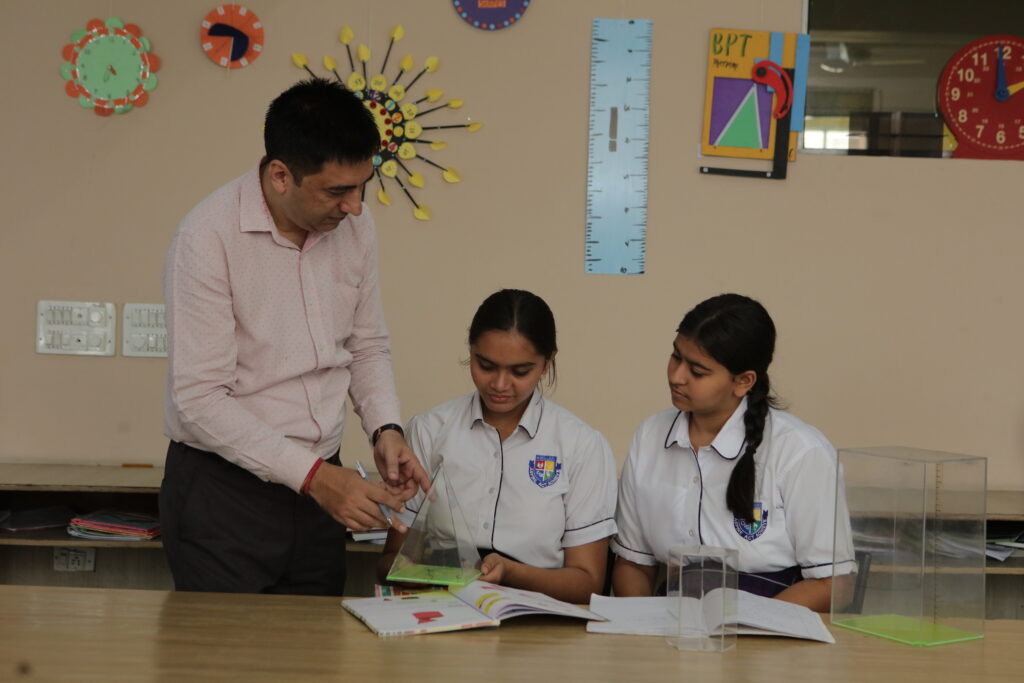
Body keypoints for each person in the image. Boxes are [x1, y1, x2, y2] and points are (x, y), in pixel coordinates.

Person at [161, 78, 429, 596]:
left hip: (320, 492)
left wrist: (386, 429)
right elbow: (198, 400)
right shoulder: (206, 238)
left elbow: (366, 345)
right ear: (281, 175)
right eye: (337, 191)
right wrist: (316, 478)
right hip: (225, 494)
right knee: (227, 647)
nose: (355, 207)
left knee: (315, 643)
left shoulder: (355, 226)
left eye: (362, 186)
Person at [611, 293, 854, 611]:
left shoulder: (800, 451)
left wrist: (749, 627)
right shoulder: (649, 436)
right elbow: (633, 563)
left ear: (743, 381)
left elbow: (833, 584)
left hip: (771, 623)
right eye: (675, 357)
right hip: (674, 622)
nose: (676, 376)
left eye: (697, 371)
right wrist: (641, 625)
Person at [378, 289, 618, 603]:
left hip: (537, 618)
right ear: (471, 351)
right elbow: (390, 562)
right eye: (486, 365)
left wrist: (512, 573)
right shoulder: (429, 430)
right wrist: (426, 572)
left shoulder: (582, 445)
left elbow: (588, 583)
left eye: (520, 371)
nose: (500, 385)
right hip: (442, 612)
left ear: (547, 362)